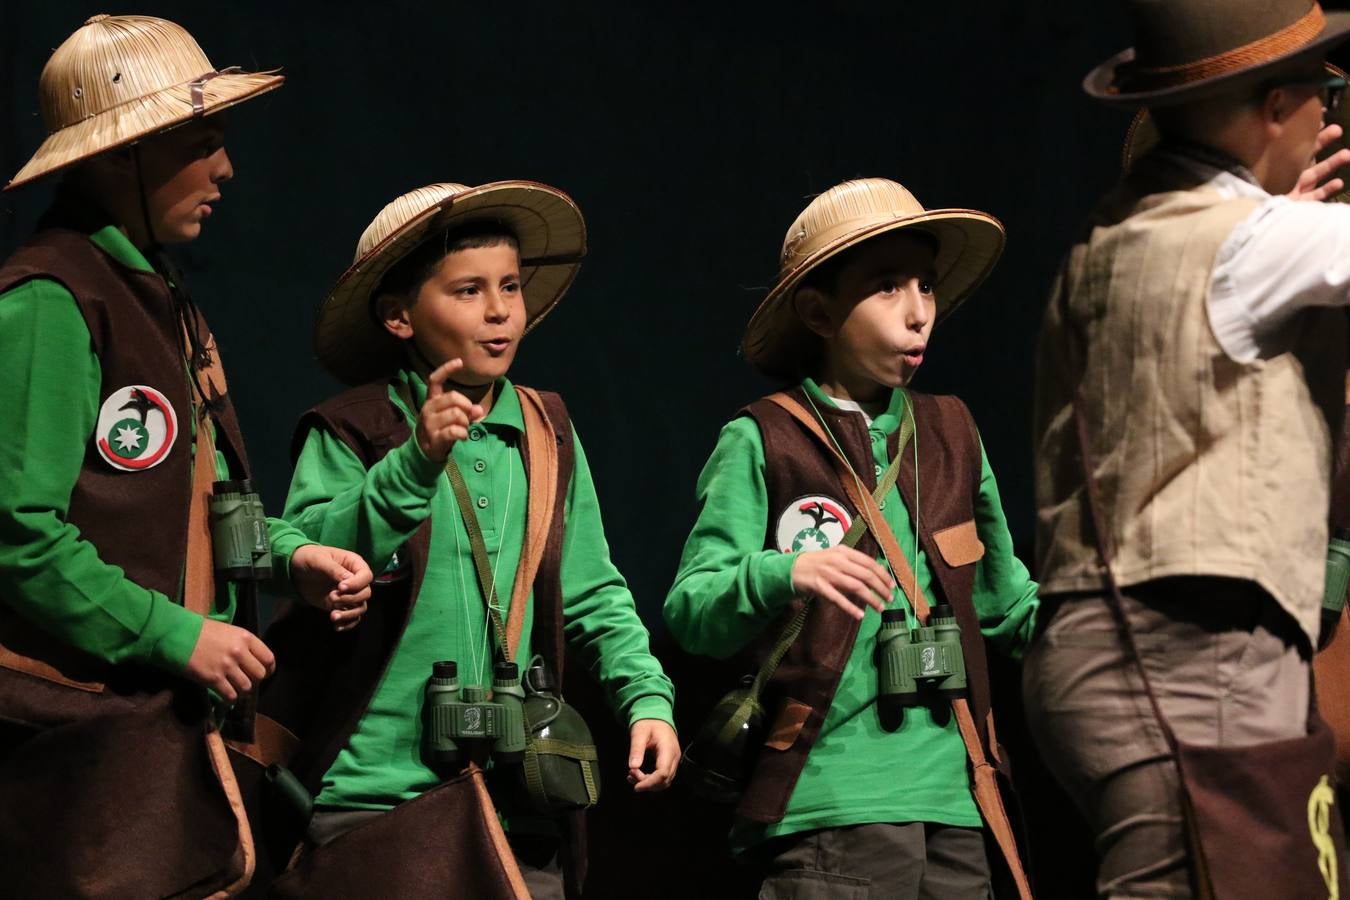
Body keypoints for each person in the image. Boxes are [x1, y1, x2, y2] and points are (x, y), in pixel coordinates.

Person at [0, 14, 371, 897]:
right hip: (70, 752)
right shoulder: (50, 299)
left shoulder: (157, 299)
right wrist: (175, 636)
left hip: (144, 745)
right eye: (200, 143)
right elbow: (16, 534)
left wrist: (290, 558)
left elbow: (198, 505)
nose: (225, 169)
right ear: (120, 156)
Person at [265, 181, 680, 899]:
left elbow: (592, 591)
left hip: (516, 802)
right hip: (376, 801)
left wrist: (647, 699)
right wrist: (416, 461)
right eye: (467, 290)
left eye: (511, 286)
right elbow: (303, 550)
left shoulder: (546, 431)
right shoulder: (356, 428)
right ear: (398, 315)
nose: (499, 310)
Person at [1028, 1, 1350, 895]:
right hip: (1187, 652)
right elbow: (1262, 254)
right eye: (1324, 95)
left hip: (1105, 649)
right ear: (1276, 108)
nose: (1332, 116)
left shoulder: (1121, 235)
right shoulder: (1251, 243)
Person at [665, 177, 1038, 898]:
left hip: (959, 801)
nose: (918, 312)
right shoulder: (763, 438)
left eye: (927, 287)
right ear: (818, 310)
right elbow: (691, 611)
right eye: (887, 287)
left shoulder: (952, 431)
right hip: (832, 798)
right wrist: (785, 573)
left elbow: (1008, 603)